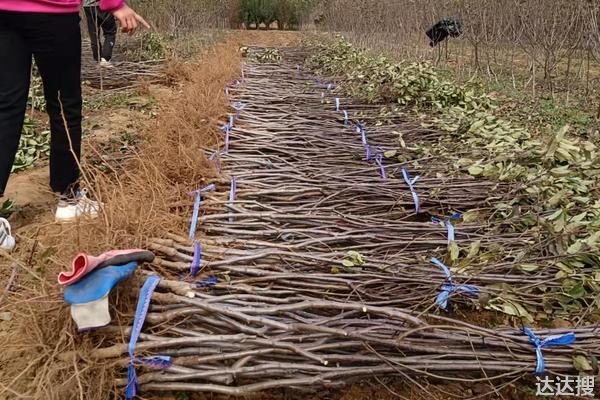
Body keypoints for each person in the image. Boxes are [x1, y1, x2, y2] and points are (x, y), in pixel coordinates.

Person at [0, 0, 149, 250]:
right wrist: (114, 5)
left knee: (5, 107)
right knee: (63, 105)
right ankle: (69, 198)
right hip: (53, 14)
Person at [83, 0, 117, 66]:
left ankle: (97, 58)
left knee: (93, 32)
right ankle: (105, 58)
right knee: (110, 31)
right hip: (104, 3)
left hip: (88, 6)